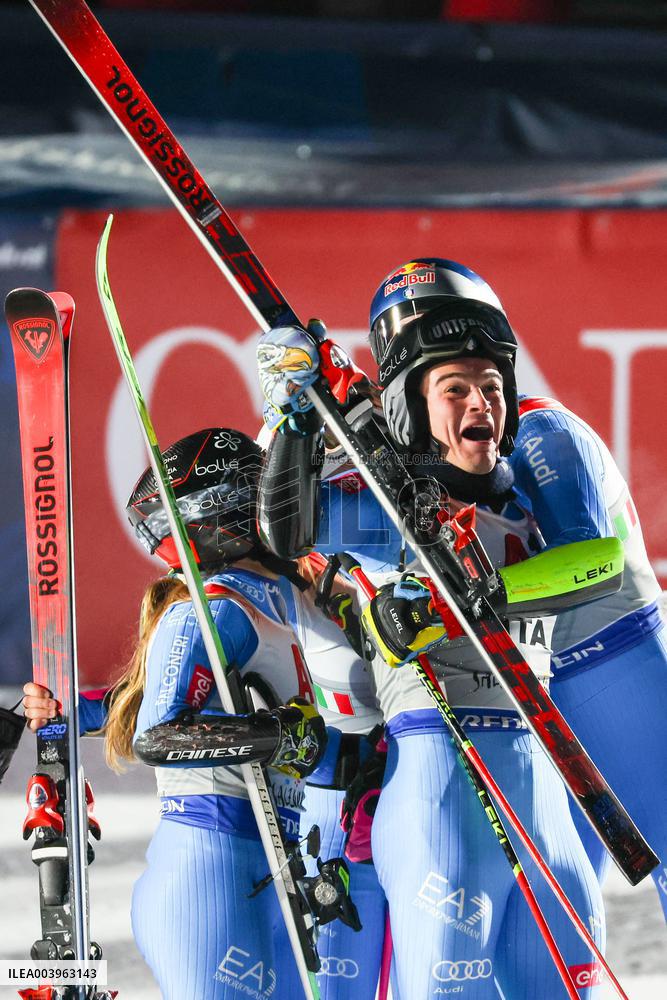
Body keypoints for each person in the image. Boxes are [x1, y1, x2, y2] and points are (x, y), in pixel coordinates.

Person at [255, 259, 614, 999]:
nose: (481, 401)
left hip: (544, 792)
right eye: (455, 389)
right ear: (411, 409)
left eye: (491, 386)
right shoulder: (381, 515)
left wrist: (468, 597)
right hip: (439, 792)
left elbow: (600, 568)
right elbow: (286, 531)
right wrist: (293, 421)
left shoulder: (530, 503)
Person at [24, 426, 387, 1000]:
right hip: (209, 866)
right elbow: (159, 735)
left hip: (269, 865)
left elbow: (282, 737)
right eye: (274, 492)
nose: (295, 507)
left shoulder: (279, 600)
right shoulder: (213, 607)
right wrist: (281, 740)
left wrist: (367, 764)